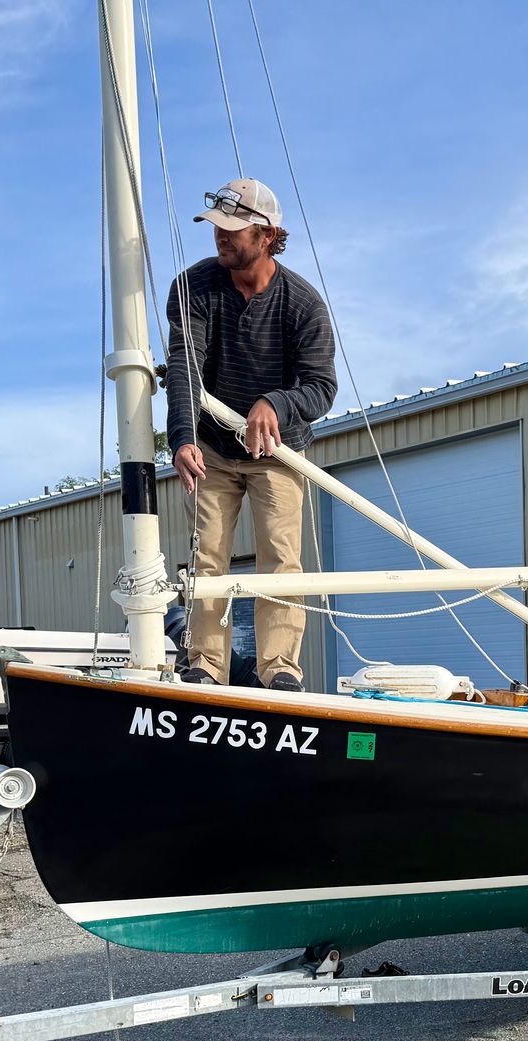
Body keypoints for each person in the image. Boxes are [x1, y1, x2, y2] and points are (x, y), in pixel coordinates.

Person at [164, 178, 337, 690]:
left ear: (267, 235)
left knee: (280, 560)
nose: (221, 238)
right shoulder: (194, 286)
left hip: (278, 453)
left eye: (234, 230)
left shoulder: (303, 303)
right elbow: (184, 367)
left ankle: (280, 670)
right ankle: (204, 666)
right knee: (207, 557)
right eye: (216, 228)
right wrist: (181, 437)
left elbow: (322, 387)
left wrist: (275, 403)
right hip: (213, 450)